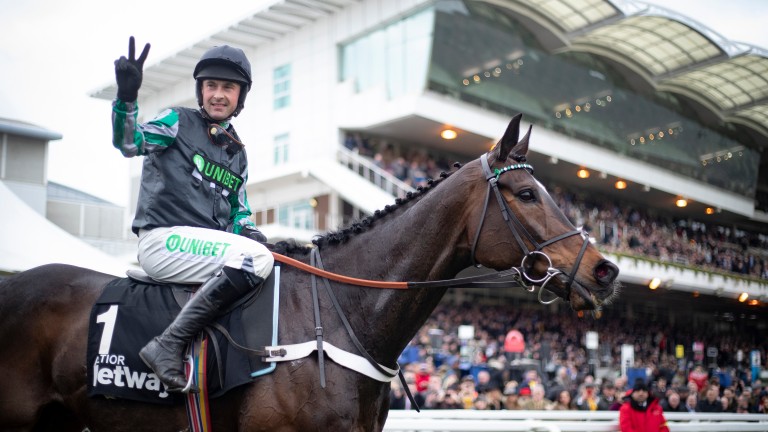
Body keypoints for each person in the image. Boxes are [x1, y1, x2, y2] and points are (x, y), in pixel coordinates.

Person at [112, 37, 274, 393]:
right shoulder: (176, 120)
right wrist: (126, 100)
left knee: (268, 259)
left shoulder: (238, 154)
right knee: (254, 259)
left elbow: (240, 214)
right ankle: (167, 345)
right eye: (211, 86)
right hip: (162, 242)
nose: (217, 94)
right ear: (200, 91)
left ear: (240, 97)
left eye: (227, 87)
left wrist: (253, 233)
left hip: (205, 252)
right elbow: (129, 143)